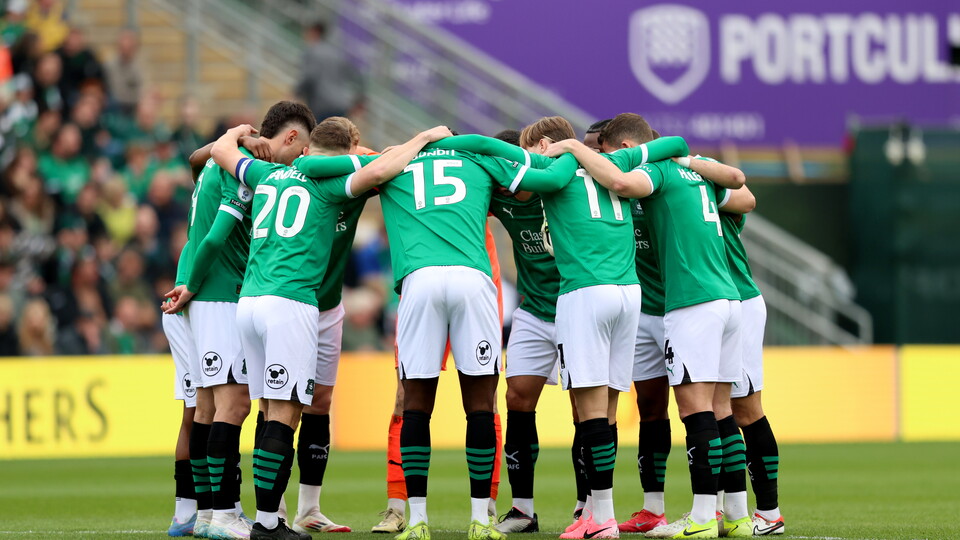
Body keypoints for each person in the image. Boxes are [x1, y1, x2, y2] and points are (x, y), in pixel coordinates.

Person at [207, 120, 453, 540]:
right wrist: (424, 138)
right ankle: (269, 524)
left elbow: (219, 152)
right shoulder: (328, 185)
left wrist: (237, 135)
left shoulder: (267, 172)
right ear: (347, 149)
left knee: (269, 410)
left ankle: (274, 516)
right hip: (291, 303)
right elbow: (378, 171)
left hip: (249, 302)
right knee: (286, 413)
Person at [547, 113, 753, 539]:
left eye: (602, 151)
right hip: (700, 302)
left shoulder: (651, 174)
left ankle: (705, 515)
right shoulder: (690, 173)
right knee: (695, 408)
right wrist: (697, 162)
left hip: (688, 303)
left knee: (697, 409)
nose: (598, 159)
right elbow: (740, 185)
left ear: (625, 149)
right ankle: (727, 511)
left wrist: (569, 148)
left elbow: (623, 182)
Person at [164, 101, 318, 540]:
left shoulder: (221, 157)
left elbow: (200, 156)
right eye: (301, 149)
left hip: (202, 296)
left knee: (206, 408)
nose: (300, 161)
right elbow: (216, 235)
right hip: (214, 295)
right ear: (289, 138)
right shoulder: (243, 168)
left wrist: (233, 136)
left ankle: (205, 513)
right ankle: (224, 515)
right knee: (234, 406)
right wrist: (192, 285)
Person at [720, 210, 785, 536]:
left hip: (738, 302)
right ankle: (725, 510)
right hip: (713, 303)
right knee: (715, 408)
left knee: (745, 409)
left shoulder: (702, 179)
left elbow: (744, 196)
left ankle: (769, 513)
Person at [162, 241, 199, 537]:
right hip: (187, 315)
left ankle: (196, 510)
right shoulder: (211, 228)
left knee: (202, 409)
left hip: (198, 313)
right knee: (198, 409)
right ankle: (187, 513)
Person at [294, 20, 364, 122]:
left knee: (318, 135)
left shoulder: (312, 51)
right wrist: (359, 100)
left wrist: (295, 94)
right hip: (342, 105)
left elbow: (310, 76)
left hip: (321, 105)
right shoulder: (337, 53)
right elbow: (357, 77)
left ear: (314, 32)